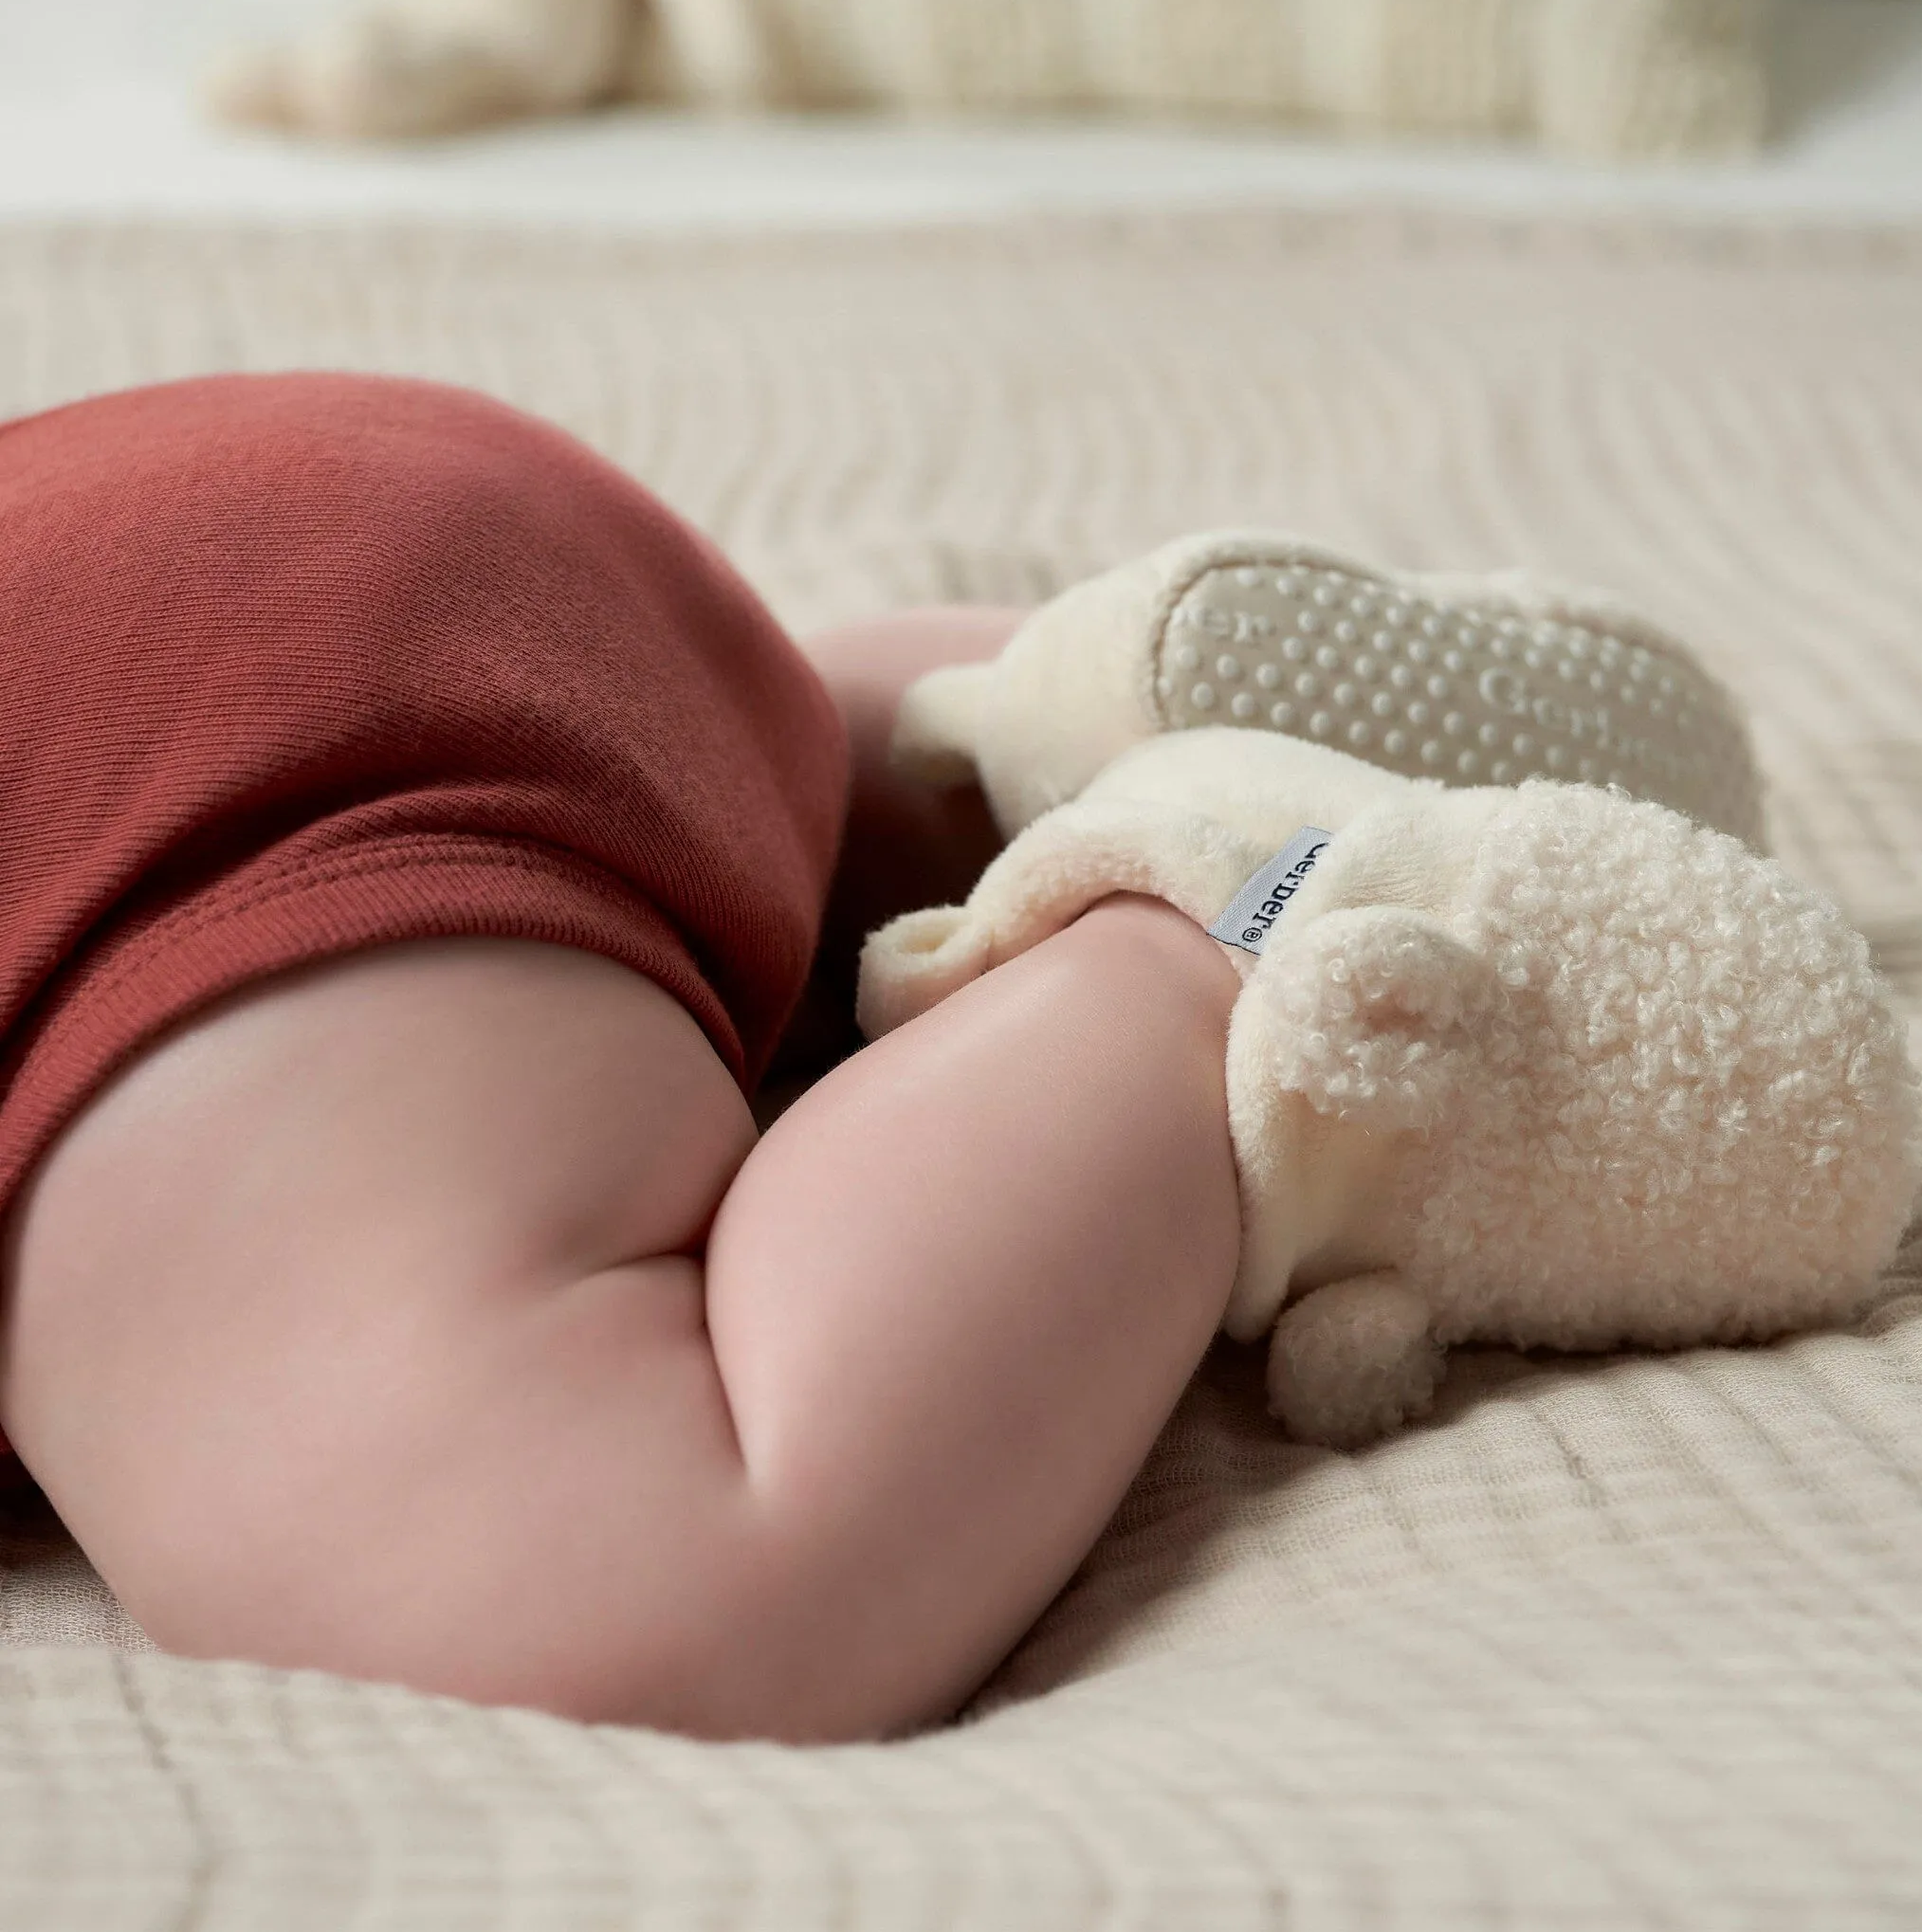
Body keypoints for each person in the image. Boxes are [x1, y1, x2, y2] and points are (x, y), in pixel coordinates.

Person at [0, 372, 1246, 1740]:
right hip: (276, 519)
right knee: (698, 838)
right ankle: (1027, 707)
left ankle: (1232, 910)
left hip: (125, 831)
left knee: (642, 1591)